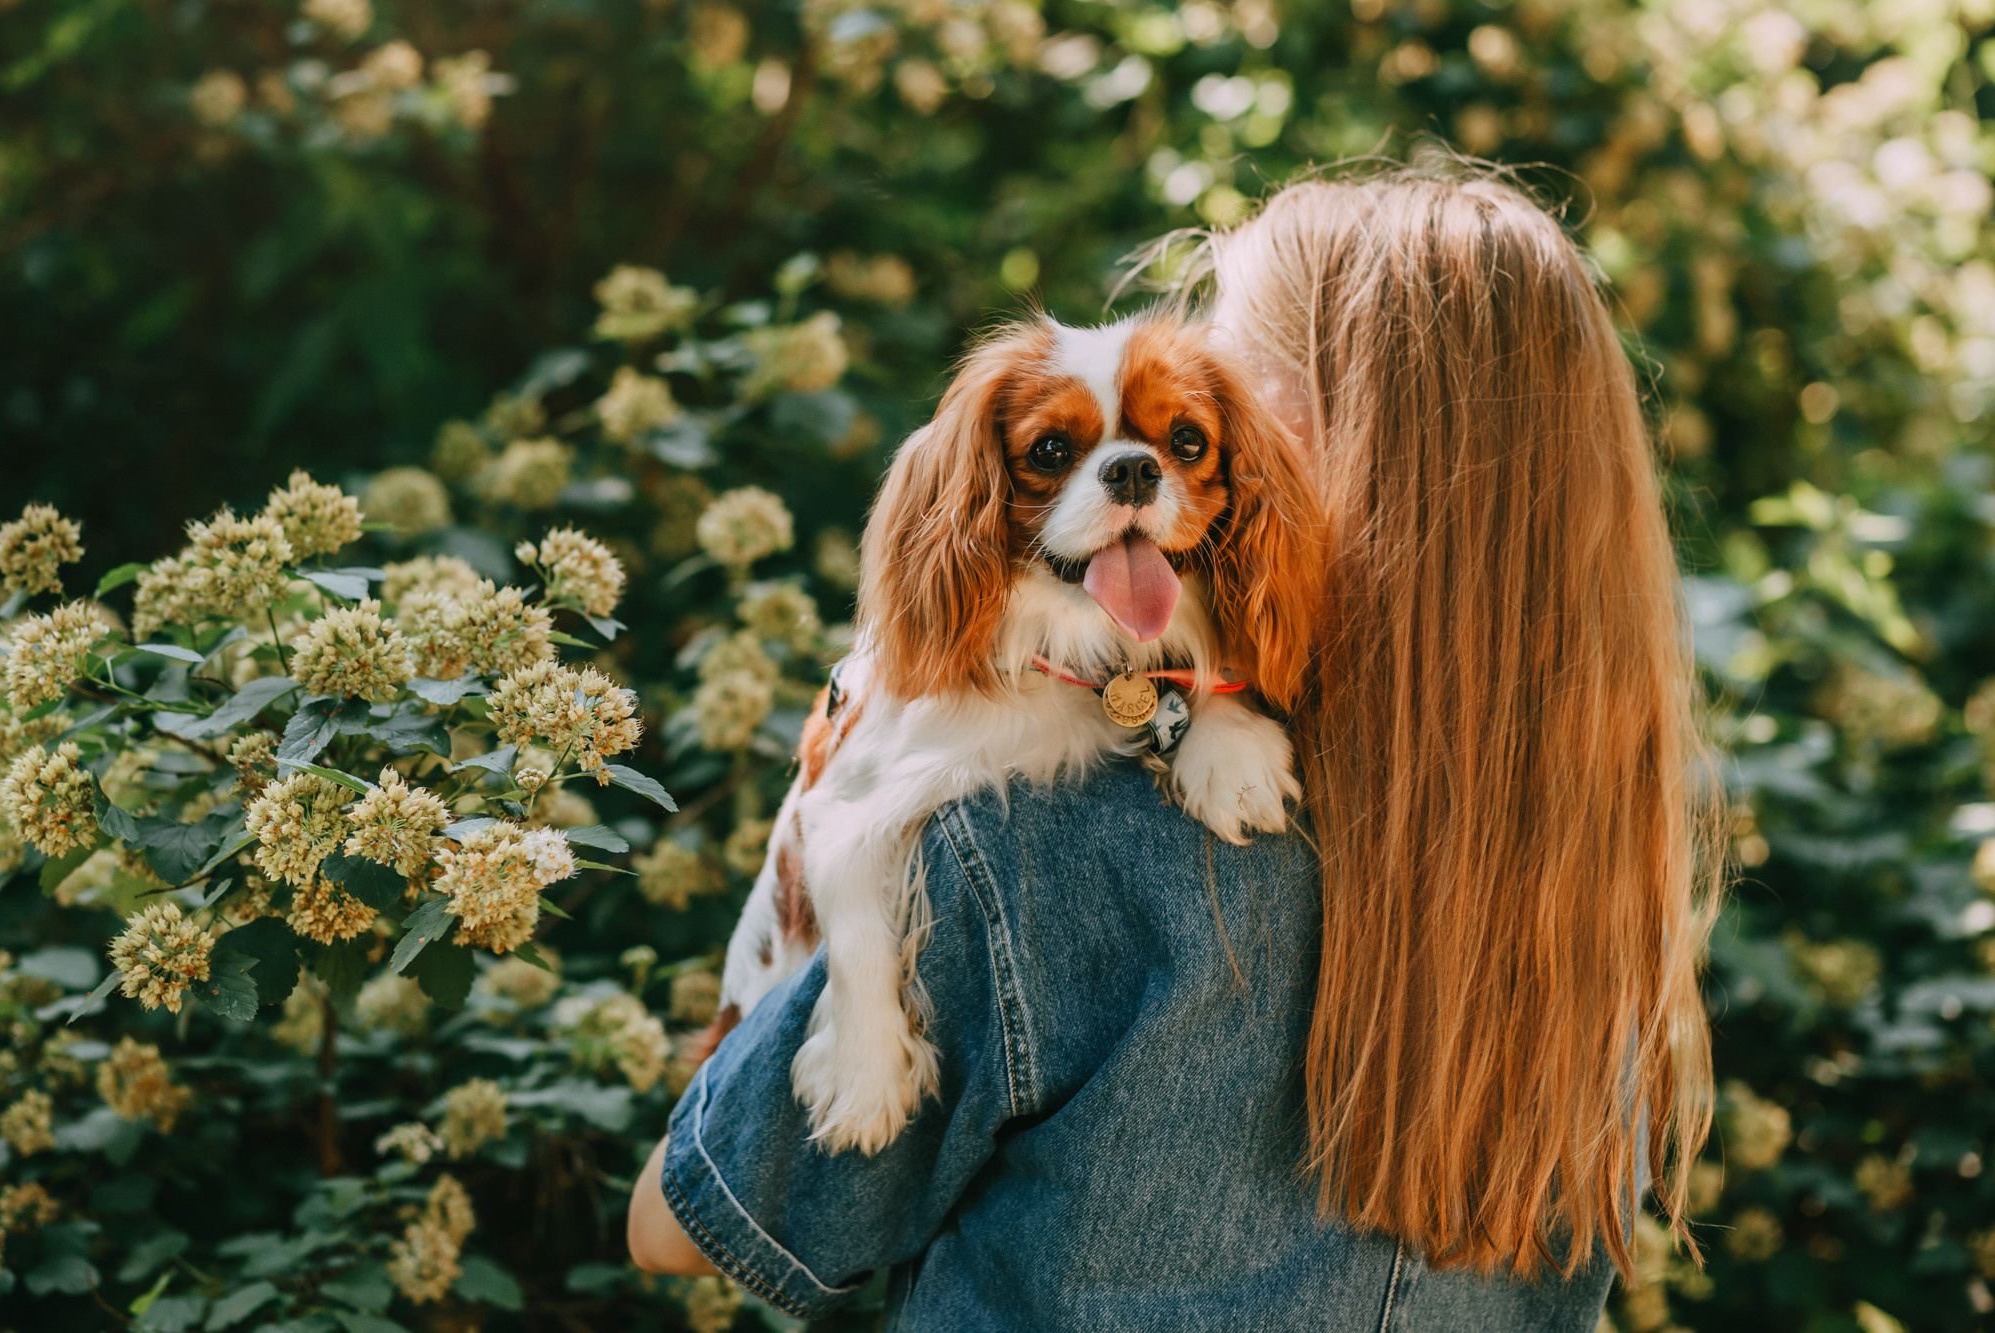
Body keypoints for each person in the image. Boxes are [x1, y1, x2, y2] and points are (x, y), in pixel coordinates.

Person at [626, 165, 1722, 1330]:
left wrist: (843, 792)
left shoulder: (1025, 837)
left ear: (1312, 441)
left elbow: (683, 1221)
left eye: (1212, 402)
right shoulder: (1601, 896)